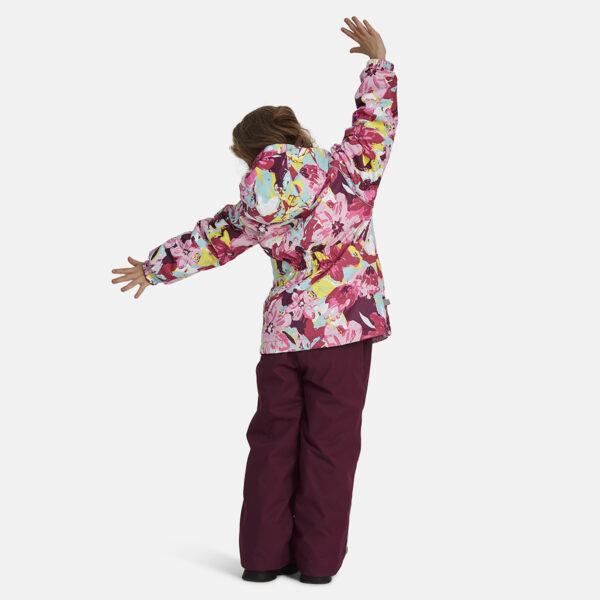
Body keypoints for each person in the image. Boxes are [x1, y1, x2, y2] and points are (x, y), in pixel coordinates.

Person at [111, 15, 398, 584]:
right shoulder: (346, 171)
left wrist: (152, 269)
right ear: (295, 134)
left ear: (250, 154)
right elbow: (375, 127)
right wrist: (377, 64)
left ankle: (262, 562)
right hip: (344, 335)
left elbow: (210, 240)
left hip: (283, 339)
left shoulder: (252, 206)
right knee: (330, 448)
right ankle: (316, 566)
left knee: (272, 445)